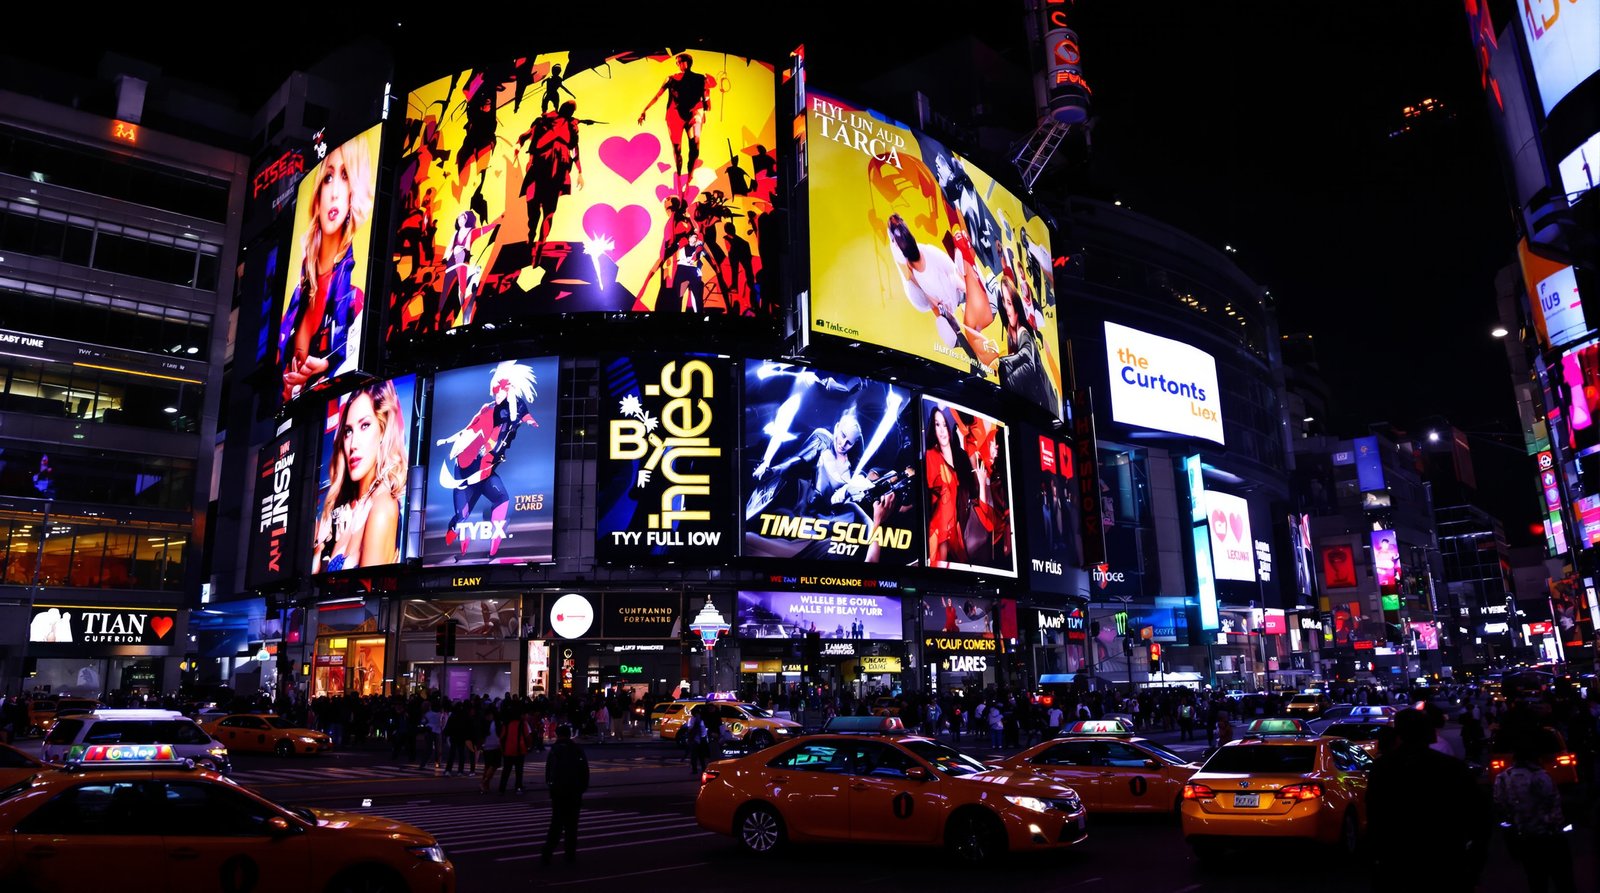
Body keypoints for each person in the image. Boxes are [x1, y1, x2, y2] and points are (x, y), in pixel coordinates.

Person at [279, 136, 373, 402]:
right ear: (318, 192)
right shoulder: (297, 298)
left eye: (345, 176)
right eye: (329, 177)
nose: (334, 192)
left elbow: (356, 373)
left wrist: (326, 371)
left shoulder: (355, 299)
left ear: (354, 192)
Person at [1366, 709, 1490, 893]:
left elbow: (1375, 814)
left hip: (1398, 859)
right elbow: (1479, 816)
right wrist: (1473, 862)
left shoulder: (1383, 767)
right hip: (1444, 858)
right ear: (1429, 733)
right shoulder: (1451, 767)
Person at [435, 361, 540, 559]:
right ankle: (460, 544)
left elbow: (521, 416)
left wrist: (529, 420)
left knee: (502, 498)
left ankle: (493, 549)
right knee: (462, 516)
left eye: (500, 391)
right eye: (495, 392)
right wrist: (449, 439)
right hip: (466, 471)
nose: (496, 395)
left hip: (485, 471)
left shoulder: (513, 407)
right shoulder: (487, 410)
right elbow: (468, 429)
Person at [311, 380, 406, 574]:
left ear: (383, 429)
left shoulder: (382, 507)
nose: (353, 443)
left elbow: (371, 599)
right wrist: (318, 549)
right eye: (348, 431)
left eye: (365, 425)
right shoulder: (346, 509)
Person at [885, 213, 998, 371]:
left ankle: (978, 356)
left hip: (956, 291)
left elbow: (954, 274)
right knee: (950, 334)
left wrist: (971, 291)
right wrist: (937, 305)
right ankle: (975, 361)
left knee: (972, 304)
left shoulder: (930, 254)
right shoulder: (909, 272)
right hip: (940, 304)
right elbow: (919, 287)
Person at [1494, 733, 1576, 893]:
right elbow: (1554, 805)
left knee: (1536, 881)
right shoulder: (1541, 776)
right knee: (1563, 881)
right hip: (1550, 837)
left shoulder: (1502, 778)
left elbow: (1501, 806)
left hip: (1525, 838)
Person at [517, 99, 585, 268]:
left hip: (557, 165)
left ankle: (539, 243)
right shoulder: (545, 120)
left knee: (548, 211)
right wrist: (521, 145)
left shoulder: (569, 125)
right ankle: (533, 237)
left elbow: (575, 149)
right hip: (544, 162)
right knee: (536, 209)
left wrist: (580, 171)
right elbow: (527, 134)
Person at [637, 53, 711, 179]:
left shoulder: (701, 79)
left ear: (687, 62)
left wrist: (704, 110)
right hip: (675, 115)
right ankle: (679, 175)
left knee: (695, 146)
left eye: (680, 61)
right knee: (677, 148)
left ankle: (690, 175)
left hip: (694, 114)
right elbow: (657, 96)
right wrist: (644, 110)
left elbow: (706, 99)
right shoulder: (671, 79)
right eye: (677, 62)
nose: (678, 64)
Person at [926, 406, 977, 568]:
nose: (942, 430)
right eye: (937, 424)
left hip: (957, 527)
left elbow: (972, 490)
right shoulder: (931, 456)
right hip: (937, 529)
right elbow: (929, 494)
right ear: (933, 428)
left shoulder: (960, 456)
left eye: (944, 424)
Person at [542, 725, 590, 864]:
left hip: (559, 792)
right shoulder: (577, 749)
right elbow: (584, 770)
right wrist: (582, 788)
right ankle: (570, 856)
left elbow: (549, 772)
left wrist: (552, 788)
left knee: (556, 824)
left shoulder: (555, 750)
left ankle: (547, 854)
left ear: (558, 735)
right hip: (574, 791)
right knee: (572, 826)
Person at [500, 707, 532, 794]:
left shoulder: (506, 724)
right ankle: (518, 787)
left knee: (506, 770)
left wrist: (502, 749)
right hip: (519, 750)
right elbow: (527, 737)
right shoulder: (522, 724)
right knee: (519, 771)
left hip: (508, 750)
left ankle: (502, 789)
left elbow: (502, 738)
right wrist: (529, 746)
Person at [477, 706, 502, 794]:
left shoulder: (485, 723)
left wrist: (480, 746)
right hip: (495, 746)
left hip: (487, 747)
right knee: (493, 765)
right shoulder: (496, 723)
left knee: (488, 766)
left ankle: (486, 784)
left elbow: (481, 737)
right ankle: (484, 782)